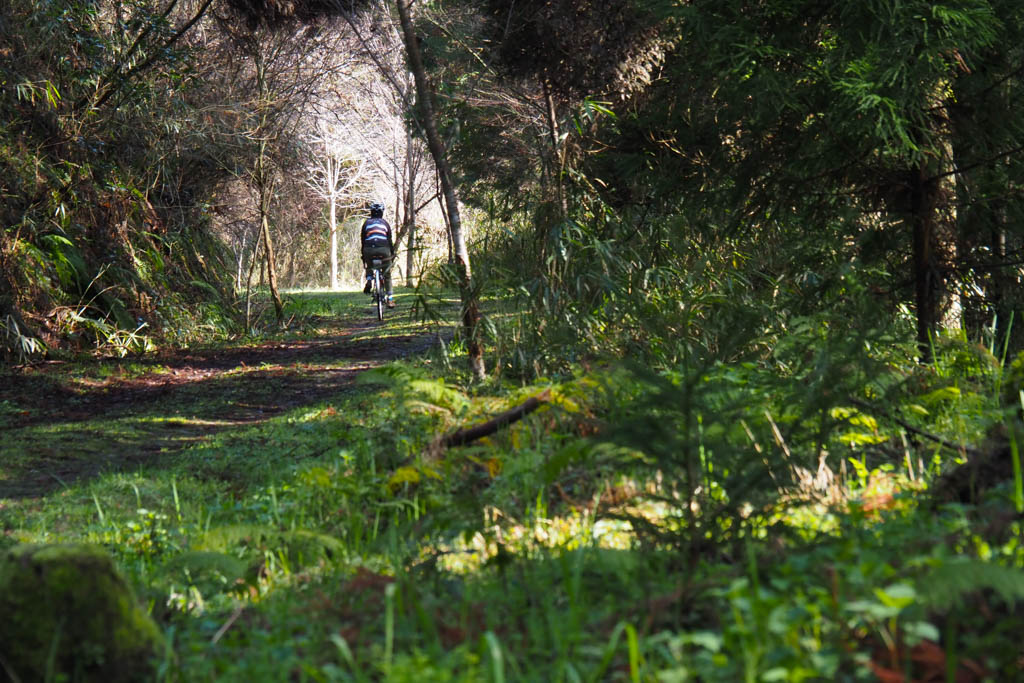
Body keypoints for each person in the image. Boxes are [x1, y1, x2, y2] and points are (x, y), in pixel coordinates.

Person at [360, 202, 395, 308]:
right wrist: (392, 254)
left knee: (369, 263)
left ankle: (369, 279)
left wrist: (363, 254)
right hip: (384, 250)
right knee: (387, 274)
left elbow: (363, 240)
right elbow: (389, 241)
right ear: (381, 213)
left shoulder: (366, 223)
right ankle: (390, 299)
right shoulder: (385, 223)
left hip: (369, 249)